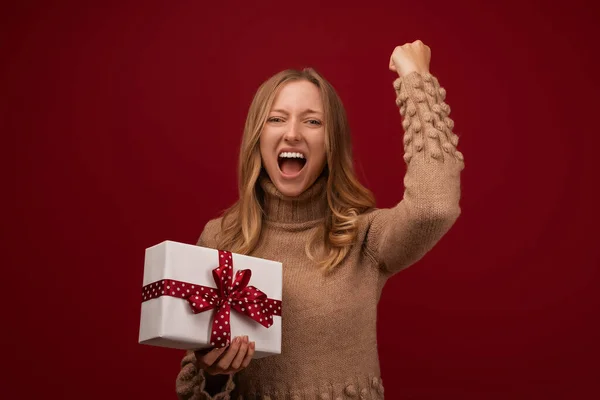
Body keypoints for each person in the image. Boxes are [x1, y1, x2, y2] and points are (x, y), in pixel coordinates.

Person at [175, 40, 465, 399]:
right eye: (277, 119)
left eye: (312, 121)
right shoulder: (220, 239)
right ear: (258, 136)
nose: (293, 133)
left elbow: (434, 206)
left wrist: (417, 80)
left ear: (331, 142)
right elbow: (194, 385)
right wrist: (215, 373)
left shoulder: (365, 237)